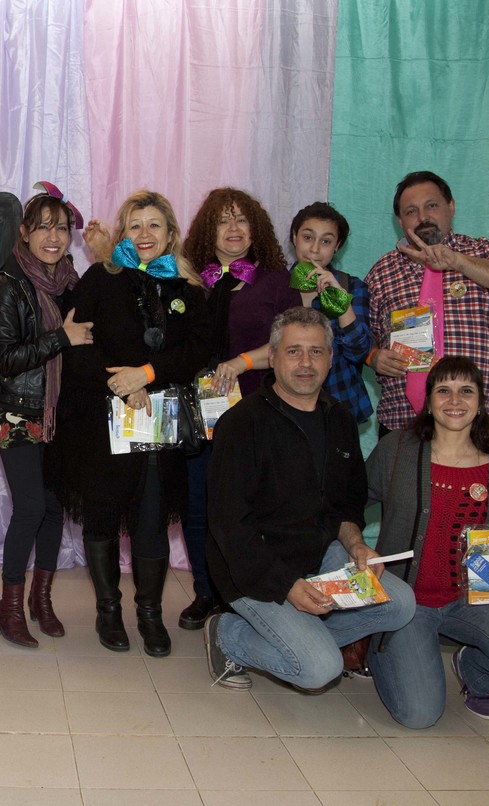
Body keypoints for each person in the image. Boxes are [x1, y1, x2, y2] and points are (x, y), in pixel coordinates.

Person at [204, 307, 415, 691]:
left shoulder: (340, 418)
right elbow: (230, 526)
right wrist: (286, 585)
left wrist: (356, 545)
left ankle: (303, 636)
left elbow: (348, 503)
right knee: (319, 670)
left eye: (316, 352)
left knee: (401, 604)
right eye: (294, 351)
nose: (306, 363)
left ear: (330, 358)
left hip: (318, 552)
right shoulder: (241, 424)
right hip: (252, 567)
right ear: (272, 357)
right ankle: (228, 635)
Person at [49, 190, 211, 658]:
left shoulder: (187, 288)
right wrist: (121, 383)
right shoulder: (101, 277)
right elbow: (76, 344)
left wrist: (148, 374)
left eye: (154, 224)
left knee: (151, 518)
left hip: (159, 422)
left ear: (171, 233)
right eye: (135, 225)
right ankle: (108, 610)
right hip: (98, 418)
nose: (144, 233)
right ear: (123, 234)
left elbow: (198, 350)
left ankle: (149, 615)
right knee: (101, 515)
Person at [365, 356, 489, 726]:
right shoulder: (397, 450)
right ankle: (385, 647)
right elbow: (348, 503)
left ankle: (474, 672)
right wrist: (353, 546)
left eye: (466, 390)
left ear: (480, 402)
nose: (455, 400)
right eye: (443, 390)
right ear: (429, 401)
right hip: (407, 604)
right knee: (419, 715)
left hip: (472, 601)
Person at [174, 188, 298, 633]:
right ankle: (205, 591)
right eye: (223, 220)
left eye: (241, 219)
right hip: (197, 415)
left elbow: (291, 343)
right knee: (197, 506)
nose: (232, 228)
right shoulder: (189, 280)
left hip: (256, 414)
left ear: (255, 228)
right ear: (208, 230)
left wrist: (242, 361)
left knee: (247, 510)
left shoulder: (277, 281)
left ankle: (244, 595)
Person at [0, 183, 92, 648]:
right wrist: (61, 338)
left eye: (62, 229)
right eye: (43, 228)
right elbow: (7, 358)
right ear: (24, 232)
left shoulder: (71, 284)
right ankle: (8, 607)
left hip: (61, 412)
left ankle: (40, 601)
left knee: (53, 506)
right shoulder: (3, 285)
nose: (53, 237)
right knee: (30, 506)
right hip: (18, 409)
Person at [365, 171, 489, 434]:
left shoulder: (483, 252)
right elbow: (361, 335)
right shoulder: (382, 272)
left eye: (431, 206)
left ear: (451, 206)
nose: (423, 217)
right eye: (411, 211)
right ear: (399, 220)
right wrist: (373, 357)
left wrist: (457, 261)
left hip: (475, 425)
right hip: (402, 424)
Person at [287, 202, 373, 424]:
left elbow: (359, 352)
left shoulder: (351, 287)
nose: (315, 249)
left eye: (326, 241)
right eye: (308, 237)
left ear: (338, 245)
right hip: (284, 408)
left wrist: (340, 301)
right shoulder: (275, 285)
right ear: (295, 237)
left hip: (339, 406)